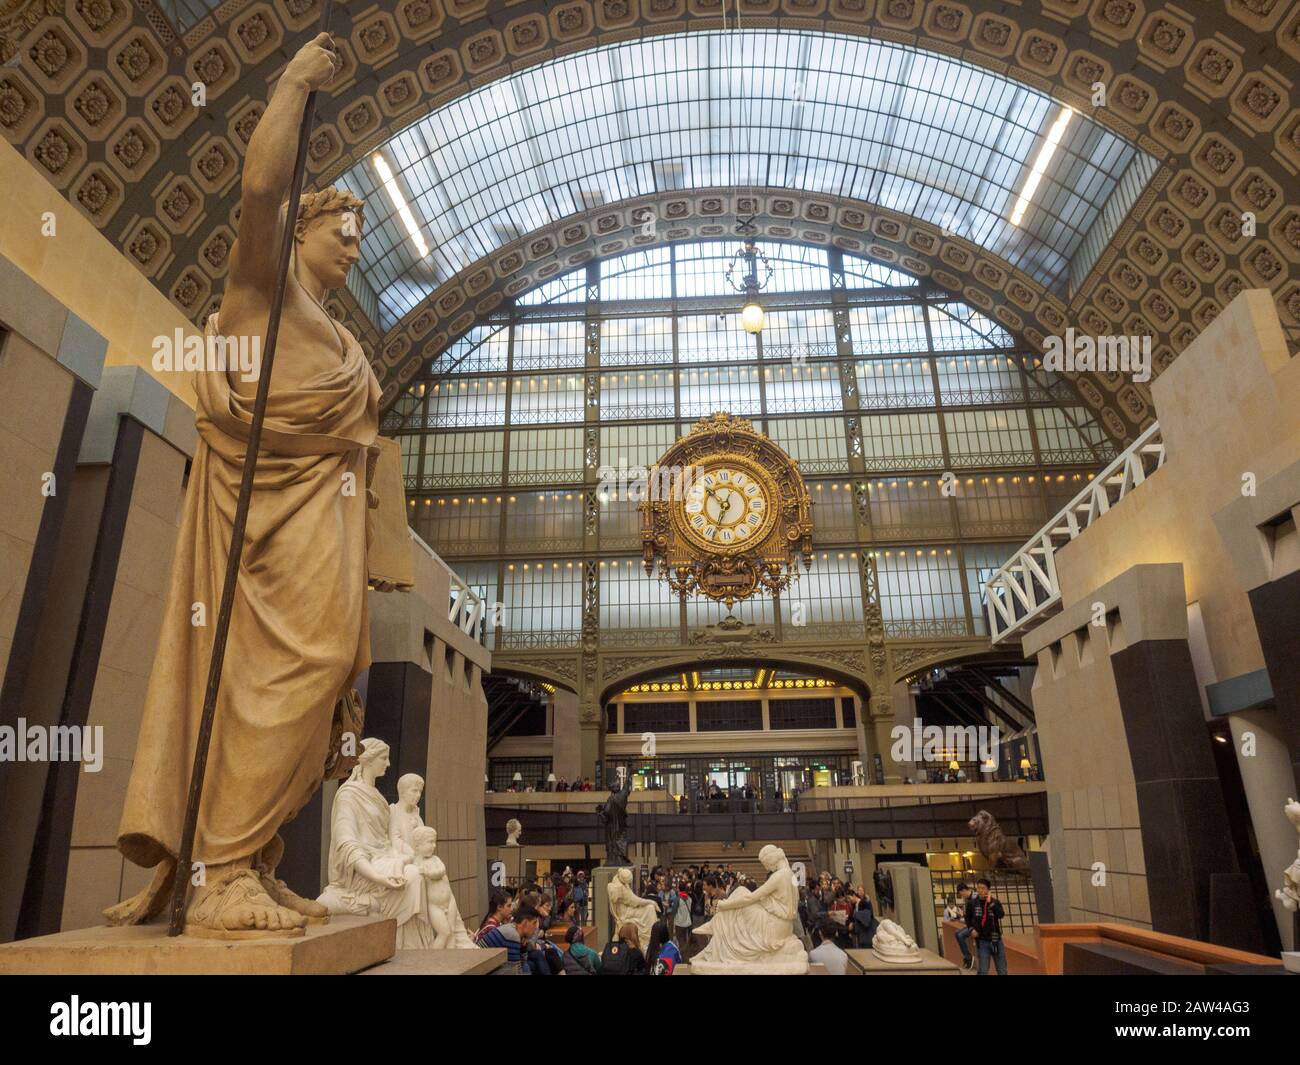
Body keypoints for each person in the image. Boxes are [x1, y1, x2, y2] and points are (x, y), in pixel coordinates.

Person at [479, 900, 541, 975]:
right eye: (534, 923)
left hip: (488, 968)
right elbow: (515, 970)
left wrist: (524, 948)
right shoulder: (512, 935)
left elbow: (521, 965)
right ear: (525, 922)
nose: (536, 927)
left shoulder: (513, 930)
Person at [966, 878, 1006, 976]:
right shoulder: (972, 903)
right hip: (982, 941)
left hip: (996, 940)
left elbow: (1001, 915)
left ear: (988, 890)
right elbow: (968, 918)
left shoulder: (995, 902)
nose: (980, 891)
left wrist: (990, 903)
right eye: (978, 888)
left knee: (1002, 970)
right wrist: (971, 929)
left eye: (983, 888)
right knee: (983, 970)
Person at [953, 882, 975, 970]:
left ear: (964, 890)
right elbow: (970, 915)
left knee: (961, 935)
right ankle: (967, 957)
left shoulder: (975, 897)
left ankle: (969, 958)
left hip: (977, 925)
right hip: (971, 923)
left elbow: (976, 914)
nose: (962, 896)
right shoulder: (969, 899)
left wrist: (964, 915)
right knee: (957, 933)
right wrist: (963, 915)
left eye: (961, 894)